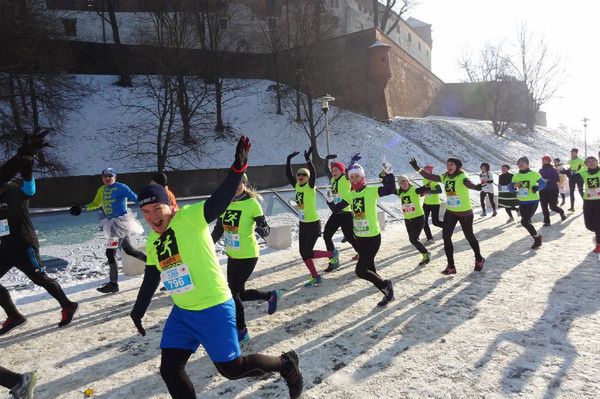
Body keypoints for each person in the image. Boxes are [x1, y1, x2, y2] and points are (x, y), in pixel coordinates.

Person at [130, 136, 303, 399]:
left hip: (213, 307)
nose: (153, 217)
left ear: (169, 205)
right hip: (183, 312)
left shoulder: (190, 218)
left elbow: (218, 201)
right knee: (169, 369)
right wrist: (138, 310)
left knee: (233, 370)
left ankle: (286, 364)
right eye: (146, 213)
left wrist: (237, 170)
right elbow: (152, 275)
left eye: (157, 209)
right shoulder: (153, 239)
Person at [1, 130, 78, 335]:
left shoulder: (13, 190)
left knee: (39, 278)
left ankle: (67, 304)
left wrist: (25, 159)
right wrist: (23, 156)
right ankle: (15, 316)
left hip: (24, 243)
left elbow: (29, 187)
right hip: (6, 246)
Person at [211, 173, 282, 345]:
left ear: (244, 184)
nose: (235, 187)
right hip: (232, 254)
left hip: (248, 255)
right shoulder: (226, 203)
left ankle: (241, 330)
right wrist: (207, 245)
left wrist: (262, 230)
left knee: (231, 293)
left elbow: (265, 227)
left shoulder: (252, 204)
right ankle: (270, 296)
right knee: (239, 294)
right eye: (232, 183)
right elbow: (219, 229)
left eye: (239, 183)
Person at [327, 162, 396, 306]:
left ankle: (386, 285)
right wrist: (329, 201)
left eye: (357, 176)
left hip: (372, 238)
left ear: (362, 176)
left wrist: (389, 173)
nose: (354, 179)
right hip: (360, 238)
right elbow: (336, 209)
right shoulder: (351, 195)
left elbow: (390, 189)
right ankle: (387, 293)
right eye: (351, 177)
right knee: (369, 268)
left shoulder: (371, 191)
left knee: (360, 271)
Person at [70, 168, 146, 293]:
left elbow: (136, 198)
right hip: (111, 223)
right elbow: (96, 203)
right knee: (129, 250)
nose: (107, 178)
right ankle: (153, 265)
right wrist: (83, 207)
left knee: (110, 253)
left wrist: (149, 202)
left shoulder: (121, 187)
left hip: (120, 224)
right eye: (105, 176)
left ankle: (113, 284)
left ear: (114, 177)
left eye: (110, 176)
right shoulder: (101, 190)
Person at [409, 157, 485, 275]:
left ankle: (479, 259)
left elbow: (468, 183)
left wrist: (475, 187)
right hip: (450, 212)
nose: (448, 166)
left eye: (451, 165)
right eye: (447, 164)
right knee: (446, 237)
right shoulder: (445, 176)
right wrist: (417, 168)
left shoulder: (462, 176)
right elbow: (430, 177)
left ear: (457, 166)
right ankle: (451, 266)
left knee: (469, 237)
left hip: (464, 212)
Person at [286, 147, 333, 287]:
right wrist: (288, 160)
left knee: (307, 252)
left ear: (307, 178)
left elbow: (313, 173)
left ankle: (330, 255)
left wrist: (308, 160)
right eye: (299, 174)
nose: (300, 176)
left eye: (303, 175)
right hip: (303, 223)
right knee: (303, 253)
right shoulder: (298, 187)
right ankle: (317, 275)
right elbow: (288, 175)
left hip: (313, 224)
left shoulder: (309, 187)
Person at [323, 160, 359, 271]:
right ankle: (333, 260)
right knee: (327, 235)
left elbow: (349, 171)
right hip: (336, 212)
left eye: (336, 170)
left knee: (350, 237)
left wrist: (352, 162)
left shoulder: (345, 177)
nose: (334, 172)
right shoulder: (333, 180)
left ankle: (362, 253)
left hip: (346, 213)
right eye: (332, 170)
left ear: (341, 170)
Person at [395, 175, 431, 265]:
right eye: (401, 182)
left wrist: (426, 187)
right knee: (414, 239)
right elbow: (389, 188)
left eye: (404, 181)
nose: (403, 184)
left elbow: (421, 190)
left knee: (413, 239)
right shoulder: (400, 192)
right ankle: (425, 254)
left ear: (408, 181)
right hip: (407, 219)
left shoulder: (414, 189)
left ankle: (426, 253)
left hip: (418, 218)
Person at [511, 157, 546, 249]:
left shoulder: (534, 174)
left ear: (527, 164)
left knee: (524, 221)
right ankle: (536, 237)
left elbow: (543, 183)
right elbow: (511, 188)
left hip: (532, 201)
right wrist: (514, 186)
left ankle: (537, 238)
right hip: (522, 202)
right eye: (519, 162)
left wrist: (537, 188)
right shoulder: (516, 175)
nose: (520, 164)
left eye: (522, 162)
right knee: (527, 221)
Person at [579, 156, 600, 253]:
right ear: (586, 164)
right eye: (589, 161)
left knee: (597, 224)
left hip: (599, 201)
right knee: (589, 225)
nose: (592, 163)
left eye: (593, 161)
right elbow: (573, 178)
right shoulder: (583, 173)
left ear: (597, 162)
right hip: (588, 201)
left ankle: (598, 244)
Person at [539, 155, 567, 226]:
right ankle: (547, 221)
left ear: (549, 161)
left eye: (545, 160)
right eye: (543, 160)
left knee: (553, 207)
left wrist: (548, 180)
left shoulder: (553, 169)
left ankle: (561, 212)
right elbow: (538, 180)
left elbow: (557, 179)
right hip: (542, 190)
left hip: (552, 190)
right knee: (544, 207)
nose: (544, 161)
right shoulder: (540, 170)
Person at [421, 165, 443, 245]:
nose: (426, 172)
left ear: (430, 171)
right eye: (425, 170)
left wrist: (430, 191)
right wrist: (422, 192)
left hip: (435, 203)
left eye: (427, 171)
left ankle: (447, 227)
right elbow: (424, 189)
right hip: (426, 203)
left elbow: (440, 190)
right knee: (423, 221)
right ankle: (430, 238)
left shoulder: (433, 179)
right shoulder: (424, 179)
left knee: (435, 222)